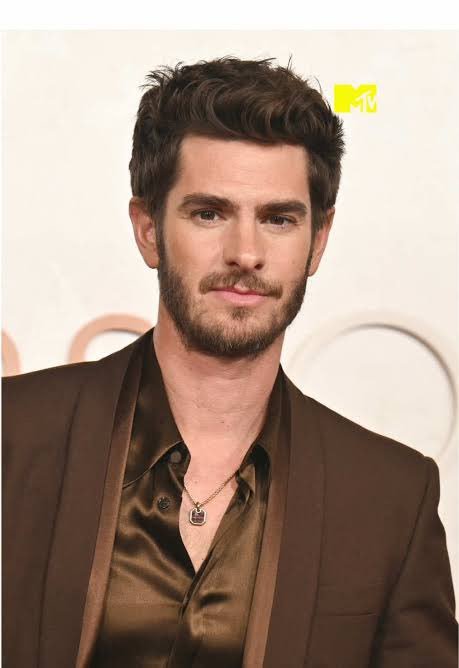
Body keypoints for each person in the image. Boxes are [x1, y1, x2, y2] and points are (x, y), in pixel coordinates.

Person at [2, 57, 457, 668]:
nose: (245, 253)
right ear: (148, 229)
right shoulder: (13, 437)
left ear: (318, 241)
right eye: (209, 213)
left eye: (278, 219)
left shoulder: (390, 497)